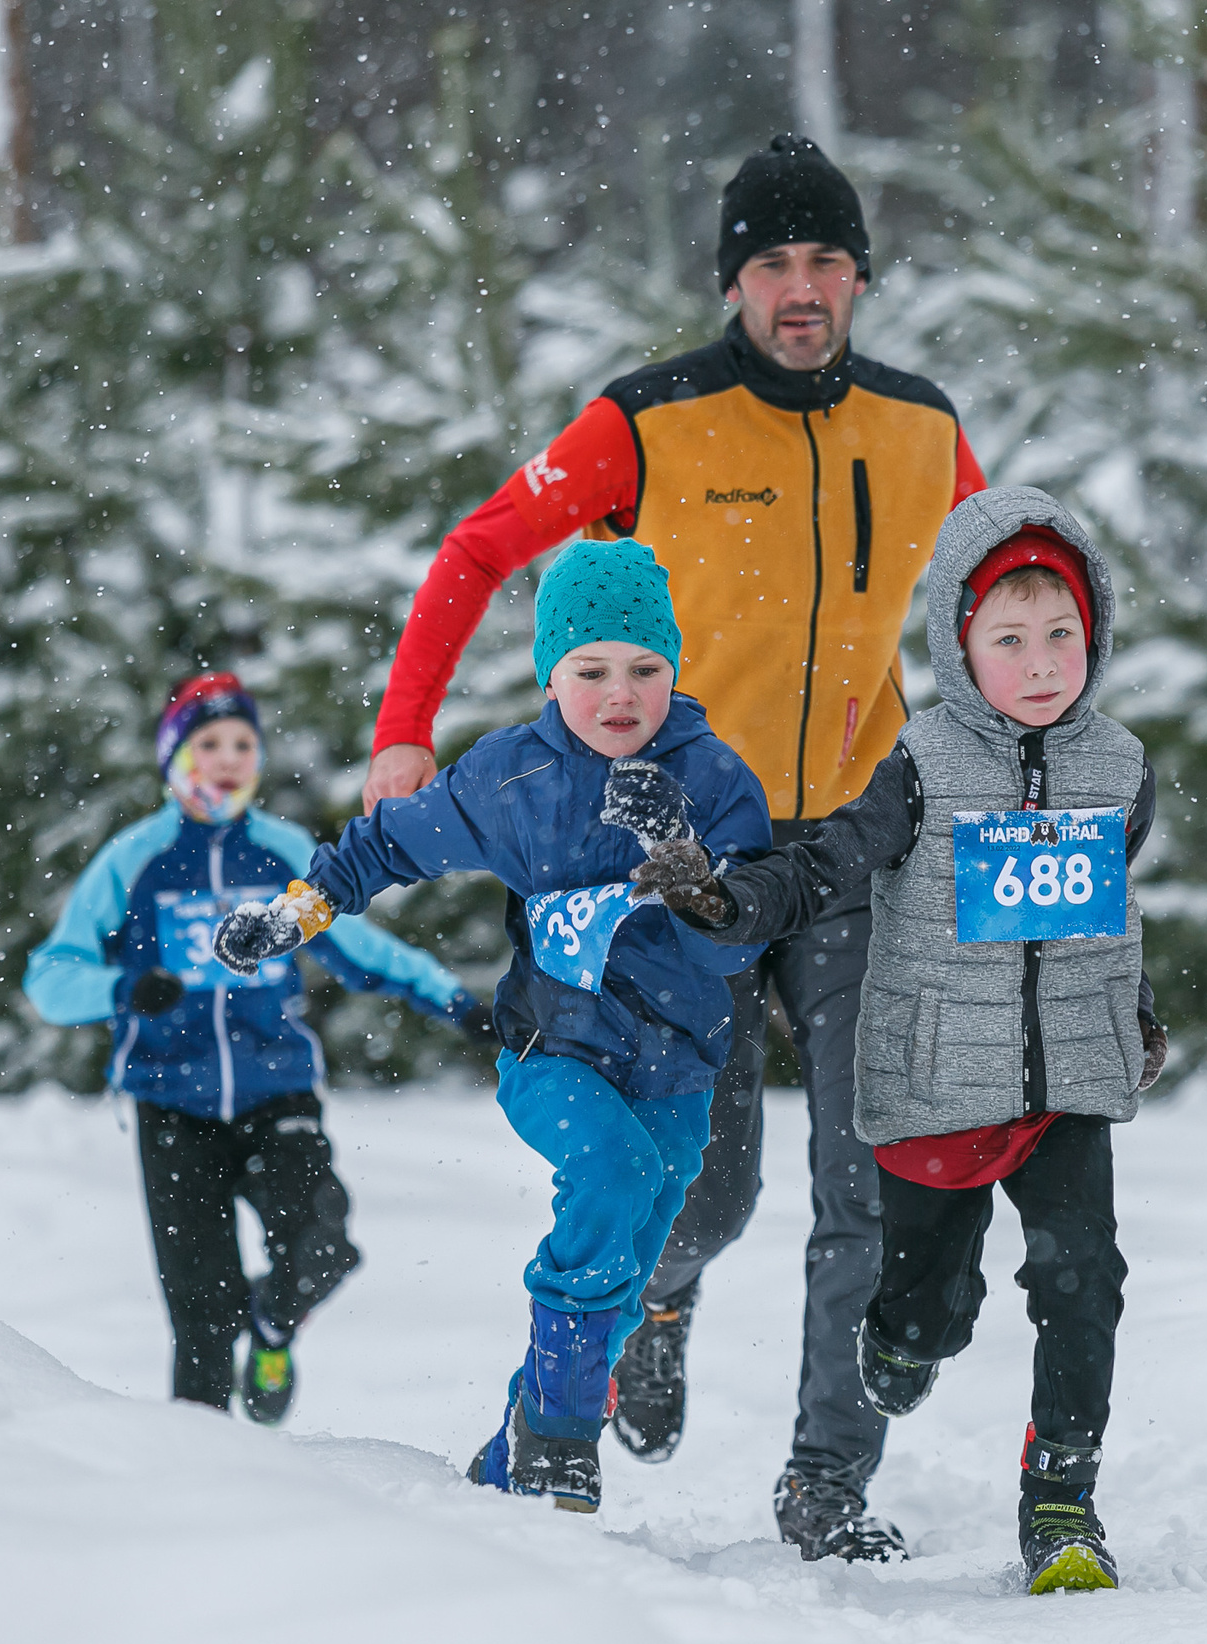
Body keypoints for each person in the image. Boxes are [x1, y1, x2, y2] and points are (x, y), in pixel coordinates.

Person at [358, 134, 985, 1558]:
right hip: (679, 859)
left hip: (846, 848)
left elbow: (1003, 596)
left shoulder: (923, 429)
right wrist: (409, 730)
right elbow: (476, 551)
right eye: (773, 262)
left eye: (827, 260)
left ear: (863, 277)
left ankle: (829, 1482)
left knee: (863, 1177)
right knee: (708, 1188)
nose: (802, 287)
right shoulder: (651, 422)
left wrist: (1034, 758)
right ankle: (657, 1293)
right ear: (732, 282)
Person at [630, 488, 1167, 1593]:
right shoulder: (922, 765)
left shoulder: (1119, 771)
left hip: (1066, 1085)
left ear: (1095, 637)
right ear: (961, 648)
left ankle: (1061, 1501)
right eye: (1007, 639)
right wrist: (730, 901)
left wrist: (1134, 1020)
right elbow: (827, 862)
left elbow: (1103, 918)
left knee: (1084, 1279)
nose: (1039, 663)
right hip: (938, 1087)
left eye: (1061, 634)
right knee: (931, 1311)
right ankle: (904, 1338)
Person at [212, 540, 770, 1513]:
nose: (619, 695)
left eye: (644, 669)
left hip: (679, 1061)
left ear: (673, 672)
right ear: (551, 676)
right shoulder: (513, 779)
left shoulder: (715, 782)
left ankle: (521, 1442)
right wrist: (291, 917)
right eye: (590, 671)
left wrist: (688, 868)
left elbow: (741, 945)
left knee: (636, 1244)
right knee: (613, 1174)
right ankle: (559, 1441)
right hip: (552, 1048)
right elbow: (381, 847)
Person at [23, 673, 486, 1421]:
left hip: (277, 1091)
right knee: (201, 1315)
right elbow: (50, 975)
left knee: (321, 1242)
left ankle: (273, 1331)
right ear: (174, 758)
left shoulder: (279, 850)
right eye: (209, 743)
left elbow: (358, 945)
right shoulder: (134, 858)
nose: (230, 757)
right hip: (171, 1103)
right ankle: (202, 1480)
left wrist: (455, 1001)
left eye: (244, 743)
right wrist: (121, 989)